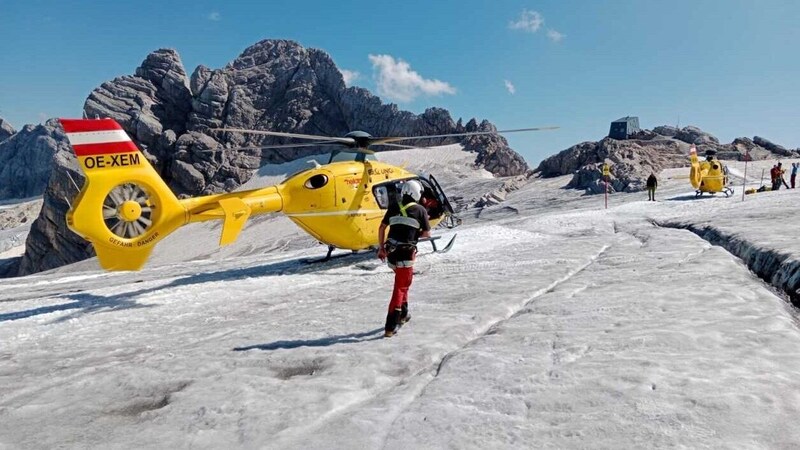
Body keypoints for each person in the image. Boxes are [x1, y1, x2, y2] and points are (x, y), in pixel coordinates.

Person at [377, 180, 431, 337]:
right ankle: (390, 326)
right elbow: (427, 234)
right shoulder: (420, 210)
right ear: (417, 194)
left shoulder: (394, 206)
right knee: (400, 287)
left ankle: (403, 314)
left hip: (391, 254)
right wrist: (415, 233)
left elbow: (382, 227)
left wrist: (381, 248)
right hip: (406, 254)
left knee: (403, 283)